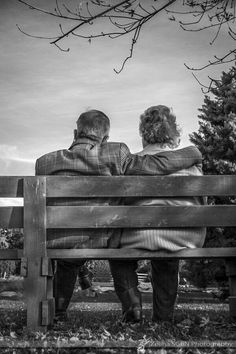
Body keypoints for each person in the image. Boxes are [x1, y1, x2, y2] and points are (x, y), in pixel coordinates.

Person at [35, 109, 203, 321]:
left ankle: (58, 313)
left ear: (75, 133)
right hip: (103, 239)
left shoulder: (45, 162)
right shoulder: (115, 153)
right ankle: (135, 307)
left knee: (69, 261)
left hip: (59, 241)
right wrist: (193, 153)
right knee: (119, 250)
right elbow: (156, 165)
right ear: (105, 138)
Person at [109, 105, 206, 323]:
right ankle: (163, 319)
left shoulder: (132, 163)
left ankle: (132, 311)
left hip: (138, 235)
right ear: (174, 133)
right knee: (167, 260)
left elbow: (119, 205)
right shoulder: (190, 161)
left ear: (144, 133)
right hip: (185, 236)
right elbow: (202, 201)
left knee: (117, 256)